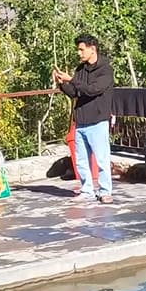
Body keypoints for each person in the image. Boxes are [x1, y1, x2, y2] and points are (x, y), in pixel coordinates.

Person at [54, 33, 116, 204]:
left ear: (92, 49)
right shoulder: (80, 70)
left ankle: (105, 191)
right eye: (78, 50)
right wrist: (62, 83)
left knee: (102, 159)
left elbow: (92, 90)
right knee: (82, 161)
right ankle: (87, 190)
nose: (79, 53)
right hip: (81, 121)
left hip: (98, 121)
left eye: (82, 49)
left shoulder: (105, 70)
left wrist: (72, 79)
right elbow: (75, 93)